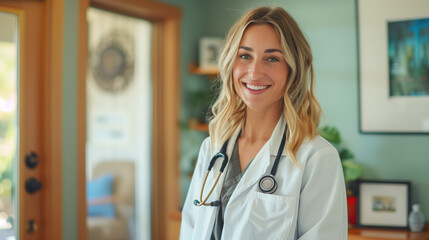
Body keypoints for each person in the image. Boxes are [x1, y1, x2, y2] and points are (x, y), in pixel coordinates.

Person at [180, 6, 347, 240]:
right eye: (245, 56)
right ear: (231, 63)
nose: (255, 72)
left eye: (272, 58)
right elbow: (190, 230)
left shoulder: (316, 158)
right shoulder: (212, 148)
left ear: (293, 70)